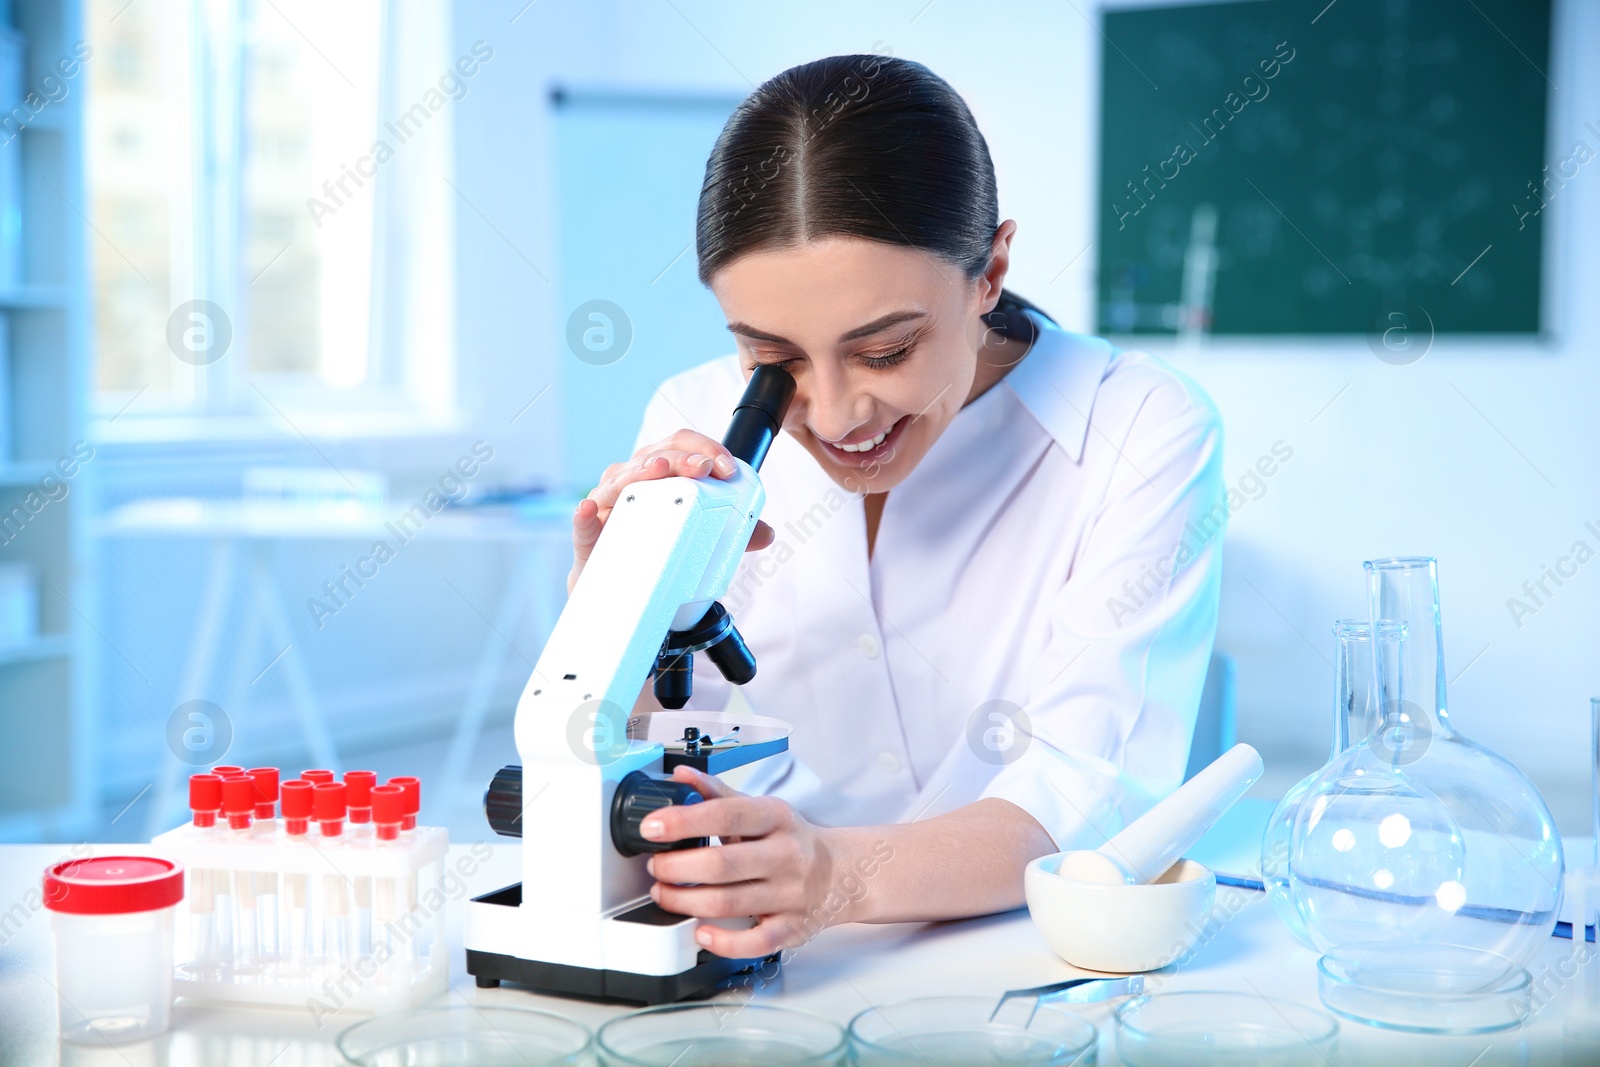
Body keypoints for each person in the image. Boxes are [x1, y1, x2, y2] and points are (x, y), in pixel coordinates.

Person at [566, 54, 1225, 960]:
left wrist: (837, 876)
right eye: (774, 357)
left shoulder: (1140, 426)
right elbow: (655, 749)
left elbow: (1085, 791)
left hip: (1025, 960)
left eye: (886, 350)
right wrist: (612, 614)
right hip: (759, 961)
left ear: (990, 270)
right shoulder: (691, 423)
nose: (836, 416)